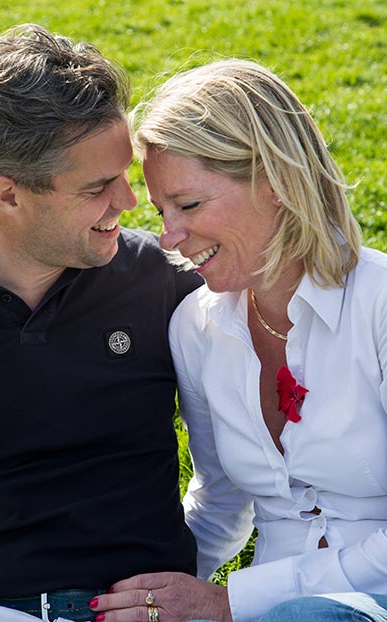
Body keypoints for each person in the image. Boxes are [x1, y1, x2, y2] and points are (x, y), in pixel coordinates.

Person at [0, 24, 202, 622]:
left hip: (142, 612)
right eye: (97, 187)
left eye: (124, 174)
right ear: (7, 195)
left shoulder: (166, 281)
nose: (128, 201)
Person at [93, 59, 387, 622]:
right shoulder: (196, 328)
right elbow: (222, 501)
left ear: (275, 181)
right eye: (160, 210)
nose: (168, 237)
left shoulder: (376, 306)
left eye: (189, 204)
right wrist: (146, 596)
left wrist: (231, 603)